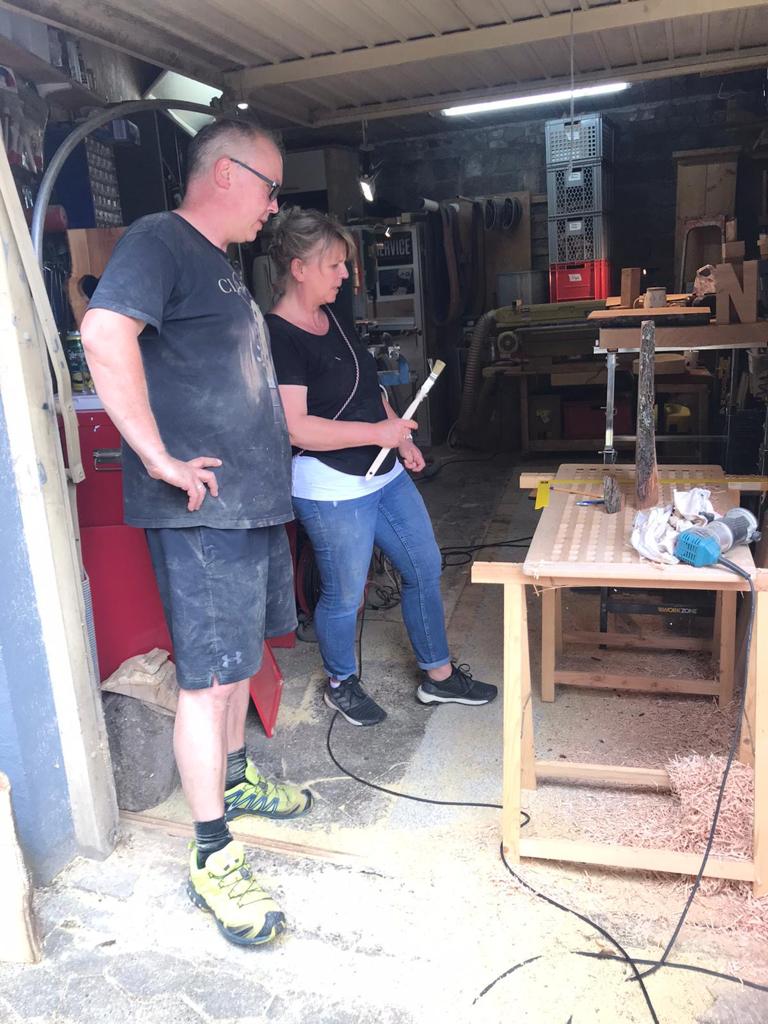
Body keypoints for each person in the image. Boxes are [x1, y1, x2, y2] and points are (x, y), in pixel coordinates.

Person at [80, 120, 312, 949]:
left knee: (238, 664)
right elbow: (103, 332)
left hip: (247, 506)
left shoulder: (218, 262)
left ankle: (235, 778)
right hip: (204, 511)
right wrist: (157, 457)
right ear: (224, 173)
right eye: (270, 187)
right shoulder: (159, 240)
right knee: (208, 681)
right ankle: (212, 854)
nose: (274, 206)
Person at [266, 207, 497, 728]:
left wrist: (399, 437)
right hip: (330, 485)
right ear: (299, 268)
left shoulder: (332, 316)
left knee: (424, 567)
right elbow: (297, 428)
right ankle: (341, 683)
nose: (344, 275)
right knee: (345, 593)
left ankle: (438, 677)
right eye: (333, 265)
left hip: (383, 472)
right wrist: (378, 435)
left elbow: (368, 392)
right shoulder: (279, 336)